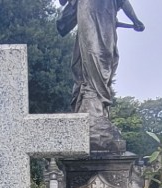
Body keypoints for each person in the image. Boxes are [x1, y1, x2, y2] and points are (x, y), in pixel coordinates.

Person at [59, 0, 145, 152]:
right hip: (88, 9)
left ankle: (98, 108)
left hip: (106, 15)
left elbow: (123, 1)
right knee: (92, 53)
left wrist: (135, 20)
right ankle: (90, 101)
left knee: (107, 57)